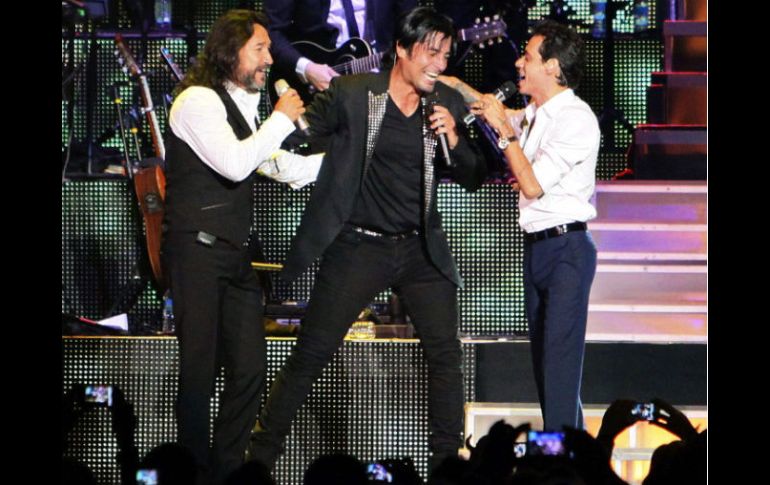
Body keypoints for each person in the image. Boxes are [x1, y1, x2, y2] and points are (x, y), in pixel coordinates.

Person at [247, 6, 487, 471]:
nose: (438, 64)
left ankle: (447, 469)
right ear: (401, 49)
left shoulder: (445, 106)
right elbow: (298, 138)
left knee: (445, 357)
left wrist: (455, 140)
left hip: (419, 248)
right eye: (429, 53)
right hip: (359, 245)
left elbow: (476, 174)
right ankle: (257, 461)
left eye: (445, 55)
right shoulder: (354, 94)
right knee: (311, 354)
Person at [161, 9, 322, 484]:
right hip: (196, 252)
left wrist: (344, 165)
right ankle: (190, 470)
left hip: (233, 256)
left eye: (270, 49)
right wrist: (278, 118)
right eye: (261, 49)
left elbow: (278, 166)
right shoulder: (196, 102)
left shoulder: (246, 111)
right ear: (231, 51)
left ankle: (227, 469)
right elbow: (234, 164)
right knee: (200, 371)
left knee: (250, 369)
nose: (270, 60)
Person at [472, 19, 600, 432]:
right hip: (537, 248)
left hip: (567, 250)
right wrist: (447, 80)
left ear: (553, 67)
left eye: (527, 56)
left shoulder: (575, 119)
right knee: (546, 371)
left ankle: (566, 463)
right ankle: (571, 458)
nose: (518, 62)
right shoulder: (535, 113)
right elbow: (492, 109)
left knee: (560, 371)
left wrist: (505, 134)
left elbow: (531, 184)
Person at [264, 0, 416, 93]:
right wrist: (306, 68)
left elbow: (413, 24)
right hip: (321, 83)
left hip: (383, 77)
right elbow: (273, 31)